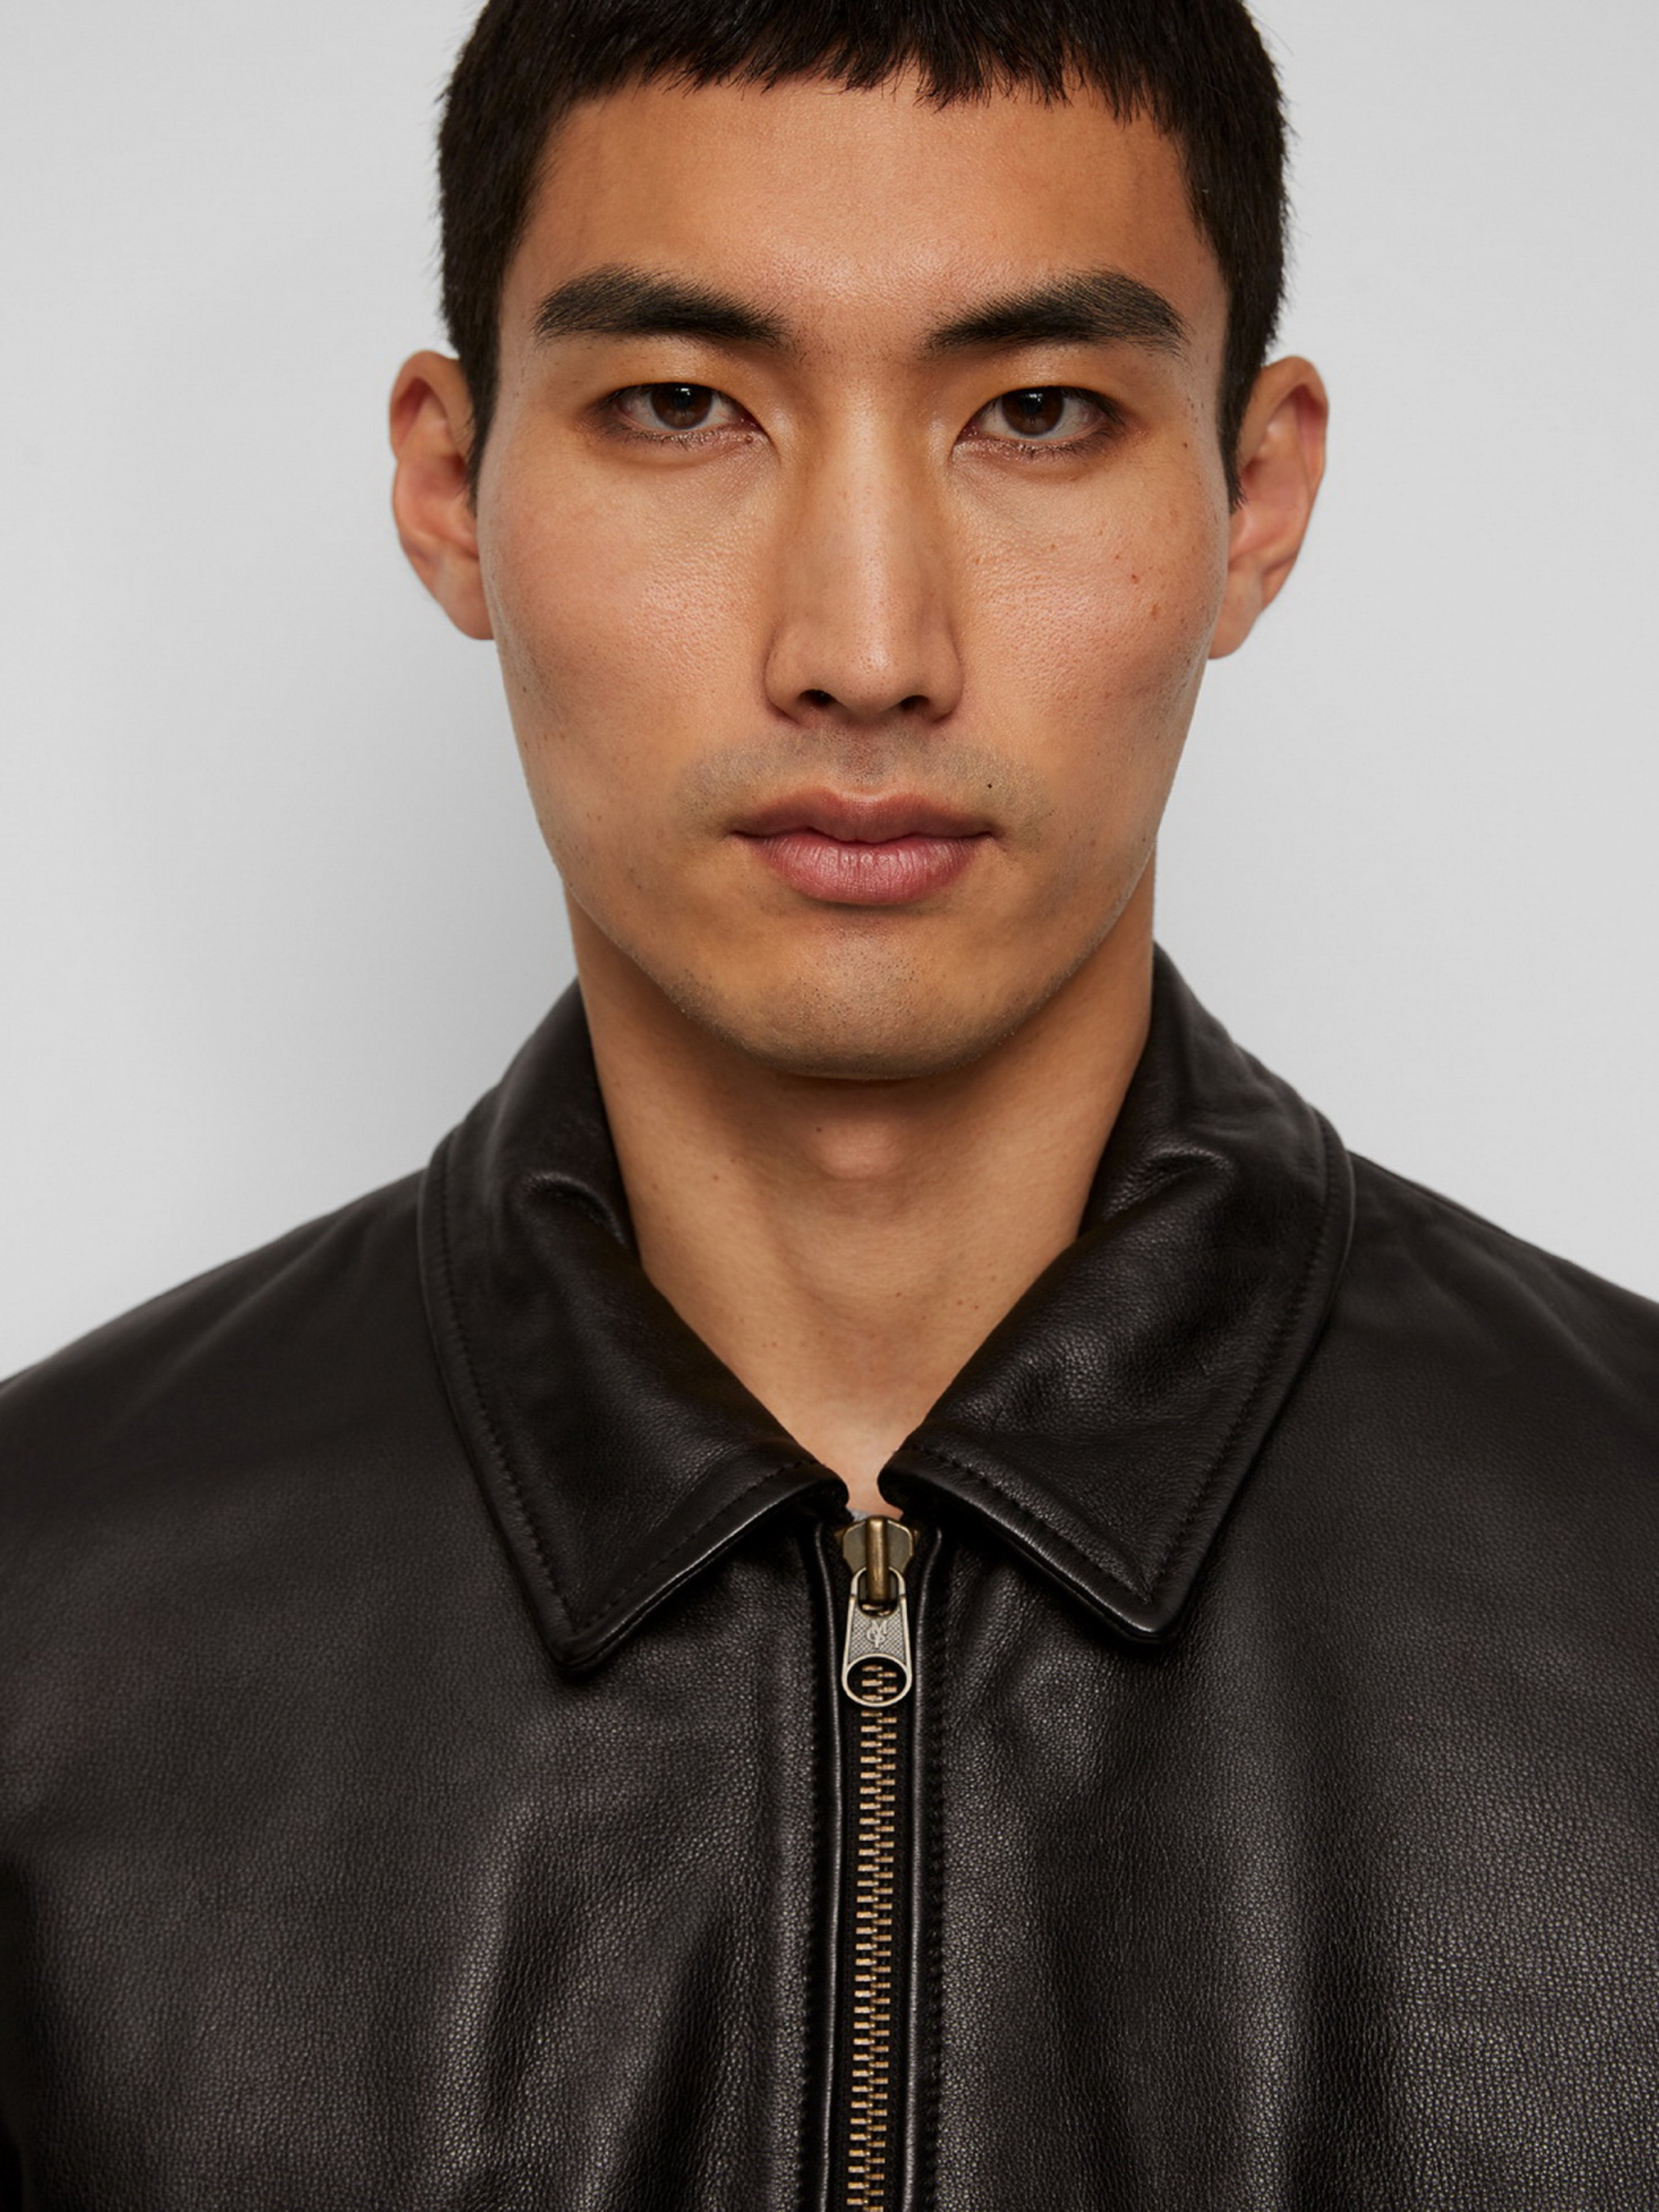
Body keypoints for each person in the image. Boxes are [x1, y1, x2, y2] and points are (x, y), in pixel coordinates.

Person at [2, 0, 1656, 2204]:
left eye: (1037, 413)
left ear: (1253, 499)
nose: (866, 650)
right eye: (681, 406)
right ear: (448, 489)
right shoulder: (39, 1632)